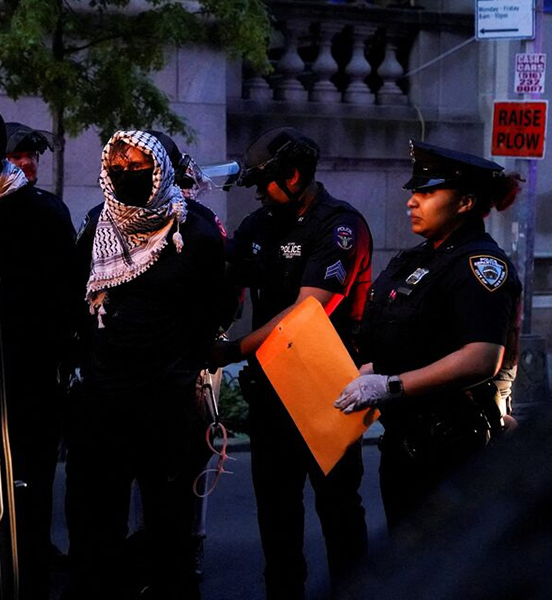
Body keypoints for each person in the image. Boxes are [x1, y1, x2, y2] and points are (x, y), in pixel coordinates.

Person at [64, 130, 227, 600]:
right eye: (118, 165)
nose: (126, 174)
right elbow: (75, 298)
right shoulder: (98, 224)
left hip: (166, 403)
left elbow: (213, 307)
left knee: (169, 532)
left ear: (162, 171)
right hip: (101, 401)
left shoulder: (193, 230)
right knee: (95, 530)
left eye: (138, 166)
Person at [211, 127, 372, 600]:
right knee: (276, 518)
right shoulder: (260, 225)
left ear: (295, 176)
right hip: (272, 393)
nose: (259, 193)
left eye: (266, 182)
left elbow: (307, 312)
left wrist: (232, 350)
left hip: (329, 394)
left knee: (339, 513)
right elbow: (227, 280)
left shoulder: (340, 226)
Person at [333, 139, 523, 531]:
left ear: (466, 202)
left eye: (428, 191)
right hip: (404, 446)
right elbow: (414, 339)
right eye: (414, 192)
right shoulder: (419, 258)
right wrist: (372, 369)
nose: (412, 201)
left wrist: (392, 385)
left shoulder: (478, 264)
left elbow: (483, 356)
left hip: (453, 450)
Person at [0, 104, 76, 600]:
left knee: (32, 484)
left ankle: (33, 563)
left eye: (34, 155)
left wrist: (62, 360)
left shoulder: (45, 213)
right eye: (21, 153)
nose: (30, 163)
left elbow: (68, 295)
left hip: (32, 373)